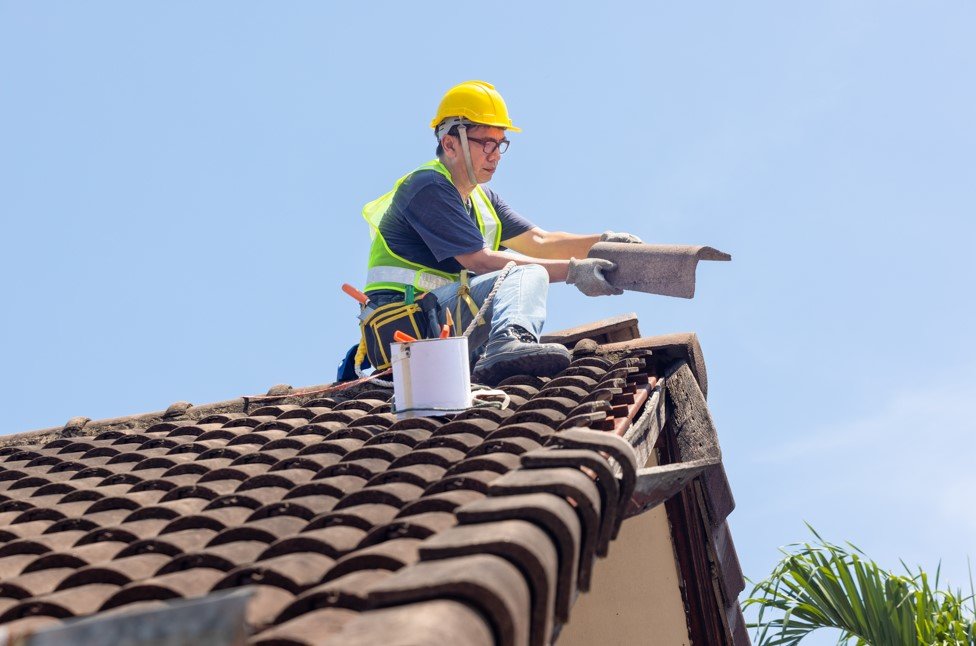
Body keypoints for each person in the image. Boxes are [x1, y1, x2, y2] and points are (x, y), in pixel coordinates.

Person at [361, 80, 642, 386]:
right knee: (523, 271)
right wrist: (574, 272)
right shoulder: (428, 186)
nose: (495, 154)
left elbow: (540, 241)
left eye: (500, 144)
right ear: (450, 143)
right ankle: (507, 342)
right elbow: (479, 261)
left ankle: (504, 347)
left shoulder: (483, 200)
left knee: (519, 263)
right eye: (486, 143)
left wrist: (603, 243)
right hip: (410, 329)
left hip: (441, 322)